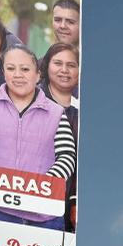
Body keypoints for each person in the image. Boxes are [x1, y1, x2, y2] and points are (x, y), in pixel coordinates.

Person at [0, 47, 76, 229]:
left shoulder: (56, 112)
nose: (18, 75)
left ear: (38, 74)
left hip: (44, 215)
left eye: (25, 69)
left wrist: (44, 185)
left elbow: (66, 156)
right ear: (3, 72)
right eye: (11, 69)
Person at [40, 42, 80, 229]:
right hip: (30, 196)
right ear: (46, 66)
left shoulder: (84, 112)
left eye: (71, 65)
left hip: (68, 205)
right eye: (58, 63)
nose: (64, 70)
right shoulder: (31, 101)